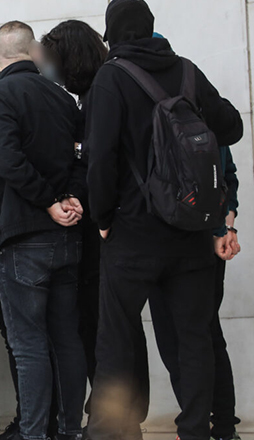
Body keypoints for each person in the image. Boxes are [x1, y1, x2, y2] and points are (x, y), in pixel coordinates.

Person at [84, 1, 243, 440]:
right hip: (190, 231)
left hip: (132, 234)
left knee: (116, 339)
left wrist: (102, 217)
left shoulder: (110, 78)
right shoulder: (188, 71)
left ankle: (110, 433)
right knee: (194, 338)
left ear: (112, 34)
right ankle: (195, 431)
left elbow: (100, 159)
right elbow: (231, 127)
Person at [0, 20, 87, 440]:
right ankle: (69, 430)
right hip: (66, 235)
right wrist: (70, 198)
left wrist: (47, 202)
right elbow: (82, 157)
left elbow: (5, 158)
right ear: (35, 53)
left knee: (28, 346)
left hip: (22, 237)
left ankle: (35, 434)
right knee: (66, 339)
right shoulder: (62, 97)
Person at [39, 19, 109, 421]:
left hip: (102, 233)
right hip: (97, 228)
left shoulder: (99, 95)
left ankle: (109, 417)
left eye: (54, 59)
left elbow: (101, 163)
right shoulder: (86, 98)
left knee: (98, 327)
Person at [149, 144, 242, 440]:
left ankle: (195, 426)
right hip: (209, 235)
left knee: (175, 339)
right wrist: (226, 227)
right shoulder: (210, 119)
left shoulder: (155, 119)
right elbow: (228, 176)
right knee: (207, 333)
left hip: (167, 238)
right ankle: (221, 427)